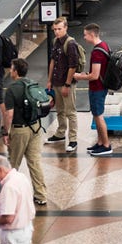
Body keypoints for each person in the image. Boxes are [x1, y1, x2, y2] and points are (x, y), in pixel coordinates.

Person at [1, 58, 48, 206]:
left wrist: (5, 132)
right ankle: (41, 195)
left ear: (15, 71)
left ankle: (10, 194)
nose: (10, 70)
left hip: (20, 130)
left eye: (11, 68)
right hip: (35, 127)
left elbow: (9, 114)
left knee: (13, 164)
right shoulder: (32, 84)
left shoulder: (11, 89)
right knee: (34, 162)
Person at [46, 17, 82, 153]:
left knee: (70, 112)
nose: (56, 32)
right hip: (56, 82)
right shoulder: (55, 41)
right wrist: (49, 80)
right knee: (60, 109)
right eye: (55, 29)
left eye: (59, 29)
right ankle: (60, 133)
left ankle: (73, 139)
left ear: (66, 28)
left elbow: (73, 66)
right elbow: (53, 62)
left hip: (67, 83)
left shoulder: (70, 43)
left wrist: (67, 84)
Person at [77, 23, 112, 156]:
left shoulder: (97, 52)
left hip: (97, 88)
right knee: (97, 115)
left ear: (92, 35)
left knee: (98, 116)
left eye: (85, 35)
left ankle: (106, 145)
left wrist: (79, 76)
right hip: (100, 87)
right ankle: (100, 142)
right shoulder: (104, 46)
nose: (84, 37)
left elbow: (94, 75)